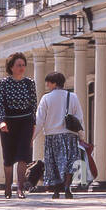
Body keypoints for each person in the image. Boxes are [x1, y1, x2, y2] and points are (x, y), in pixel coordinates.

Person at [32, 71, 84, 200]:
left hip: (52, 136)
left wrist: (31, 137)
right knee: (69, 163)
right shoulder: (73, 97)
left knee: (53, 164)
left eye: (48, 82)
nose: (47, 85)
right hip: (69, 135)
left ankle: (56, 190)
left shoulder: (46, 98)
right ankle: (67, 187)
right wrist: (81, 135)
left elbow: (39, 119)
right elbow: (79, 118)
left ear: (54, 83)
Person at [0, 51, 37, 199]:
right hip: (9, 121)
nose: (21, 68)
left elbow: (33, 104)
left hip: (25, 121)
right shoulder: (4, 83)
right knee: (9, 156)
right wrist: (1, 120)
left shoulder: (29, 83)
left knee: (23, 155)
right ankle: (7, 185)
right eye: (19, 65)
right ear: (11, 67)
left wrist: (33, 124)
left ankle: (20, 187)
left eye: (23, 65)